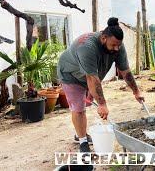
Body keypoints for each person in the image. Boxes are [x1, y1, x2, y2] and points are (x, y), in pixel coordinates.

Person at [57, 17, 144, 153]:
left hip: (90, 76)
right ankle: (83, 143)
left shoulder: (117, 45)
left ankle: (80, 131)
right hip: (71, 74)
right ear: (103, 38)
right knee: (79, 109)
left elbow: (125, 71)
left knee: (85, 104)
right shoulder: (86, 47)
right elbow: (92, 79)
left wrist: (136, 92)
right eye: (114, 45)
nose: (117, 48)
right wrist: (102, 104)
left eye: (119, 45)